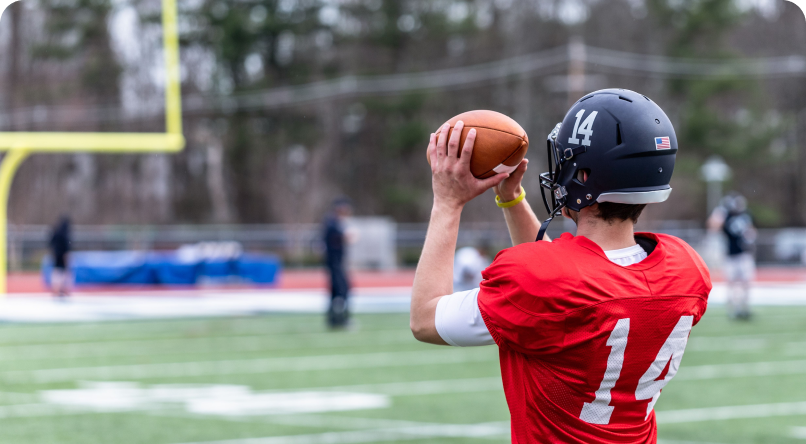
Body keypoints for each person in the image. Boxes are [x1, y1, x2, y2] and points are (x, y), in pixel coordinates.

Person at [410, 89, 712, 443]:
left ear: (582, 176)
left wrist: (448, 202)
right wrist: (511, 199)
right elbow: (566, 287)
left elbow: (425, 320)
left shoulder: (544, 281)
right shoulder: (686, 269)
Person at [708, 192, 756, 320]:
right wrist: (719, 213)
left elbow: (751, 231)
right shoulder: (725, 216)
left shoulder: (745, 216)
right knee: (731, 283)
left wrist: (750, 237)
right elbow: (713, 226)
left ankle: (745, 308)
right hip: (730, 255)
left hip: (744, 254)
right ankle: (733, 309)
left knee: (746, 282)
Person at [323, 197, 353, 328]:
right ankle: (339, 319)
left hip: (337, 264)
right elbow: (348, 236)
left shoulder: (335, 222)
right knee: (341, 291)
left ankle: (335, 320)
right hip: (334, 265)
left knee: (338, 292)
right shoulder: (332, 223)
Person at [49, 216, 72, 300]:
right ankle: (62, 291)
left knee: (57, 273)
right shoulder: (65, 235)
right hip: (61, 257)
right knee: (64, 274)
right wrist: (67, 262)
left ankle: (57, 291)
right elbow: (66, 250)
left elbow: (50, 243)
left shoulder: (55, 232)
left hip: (56, 256)